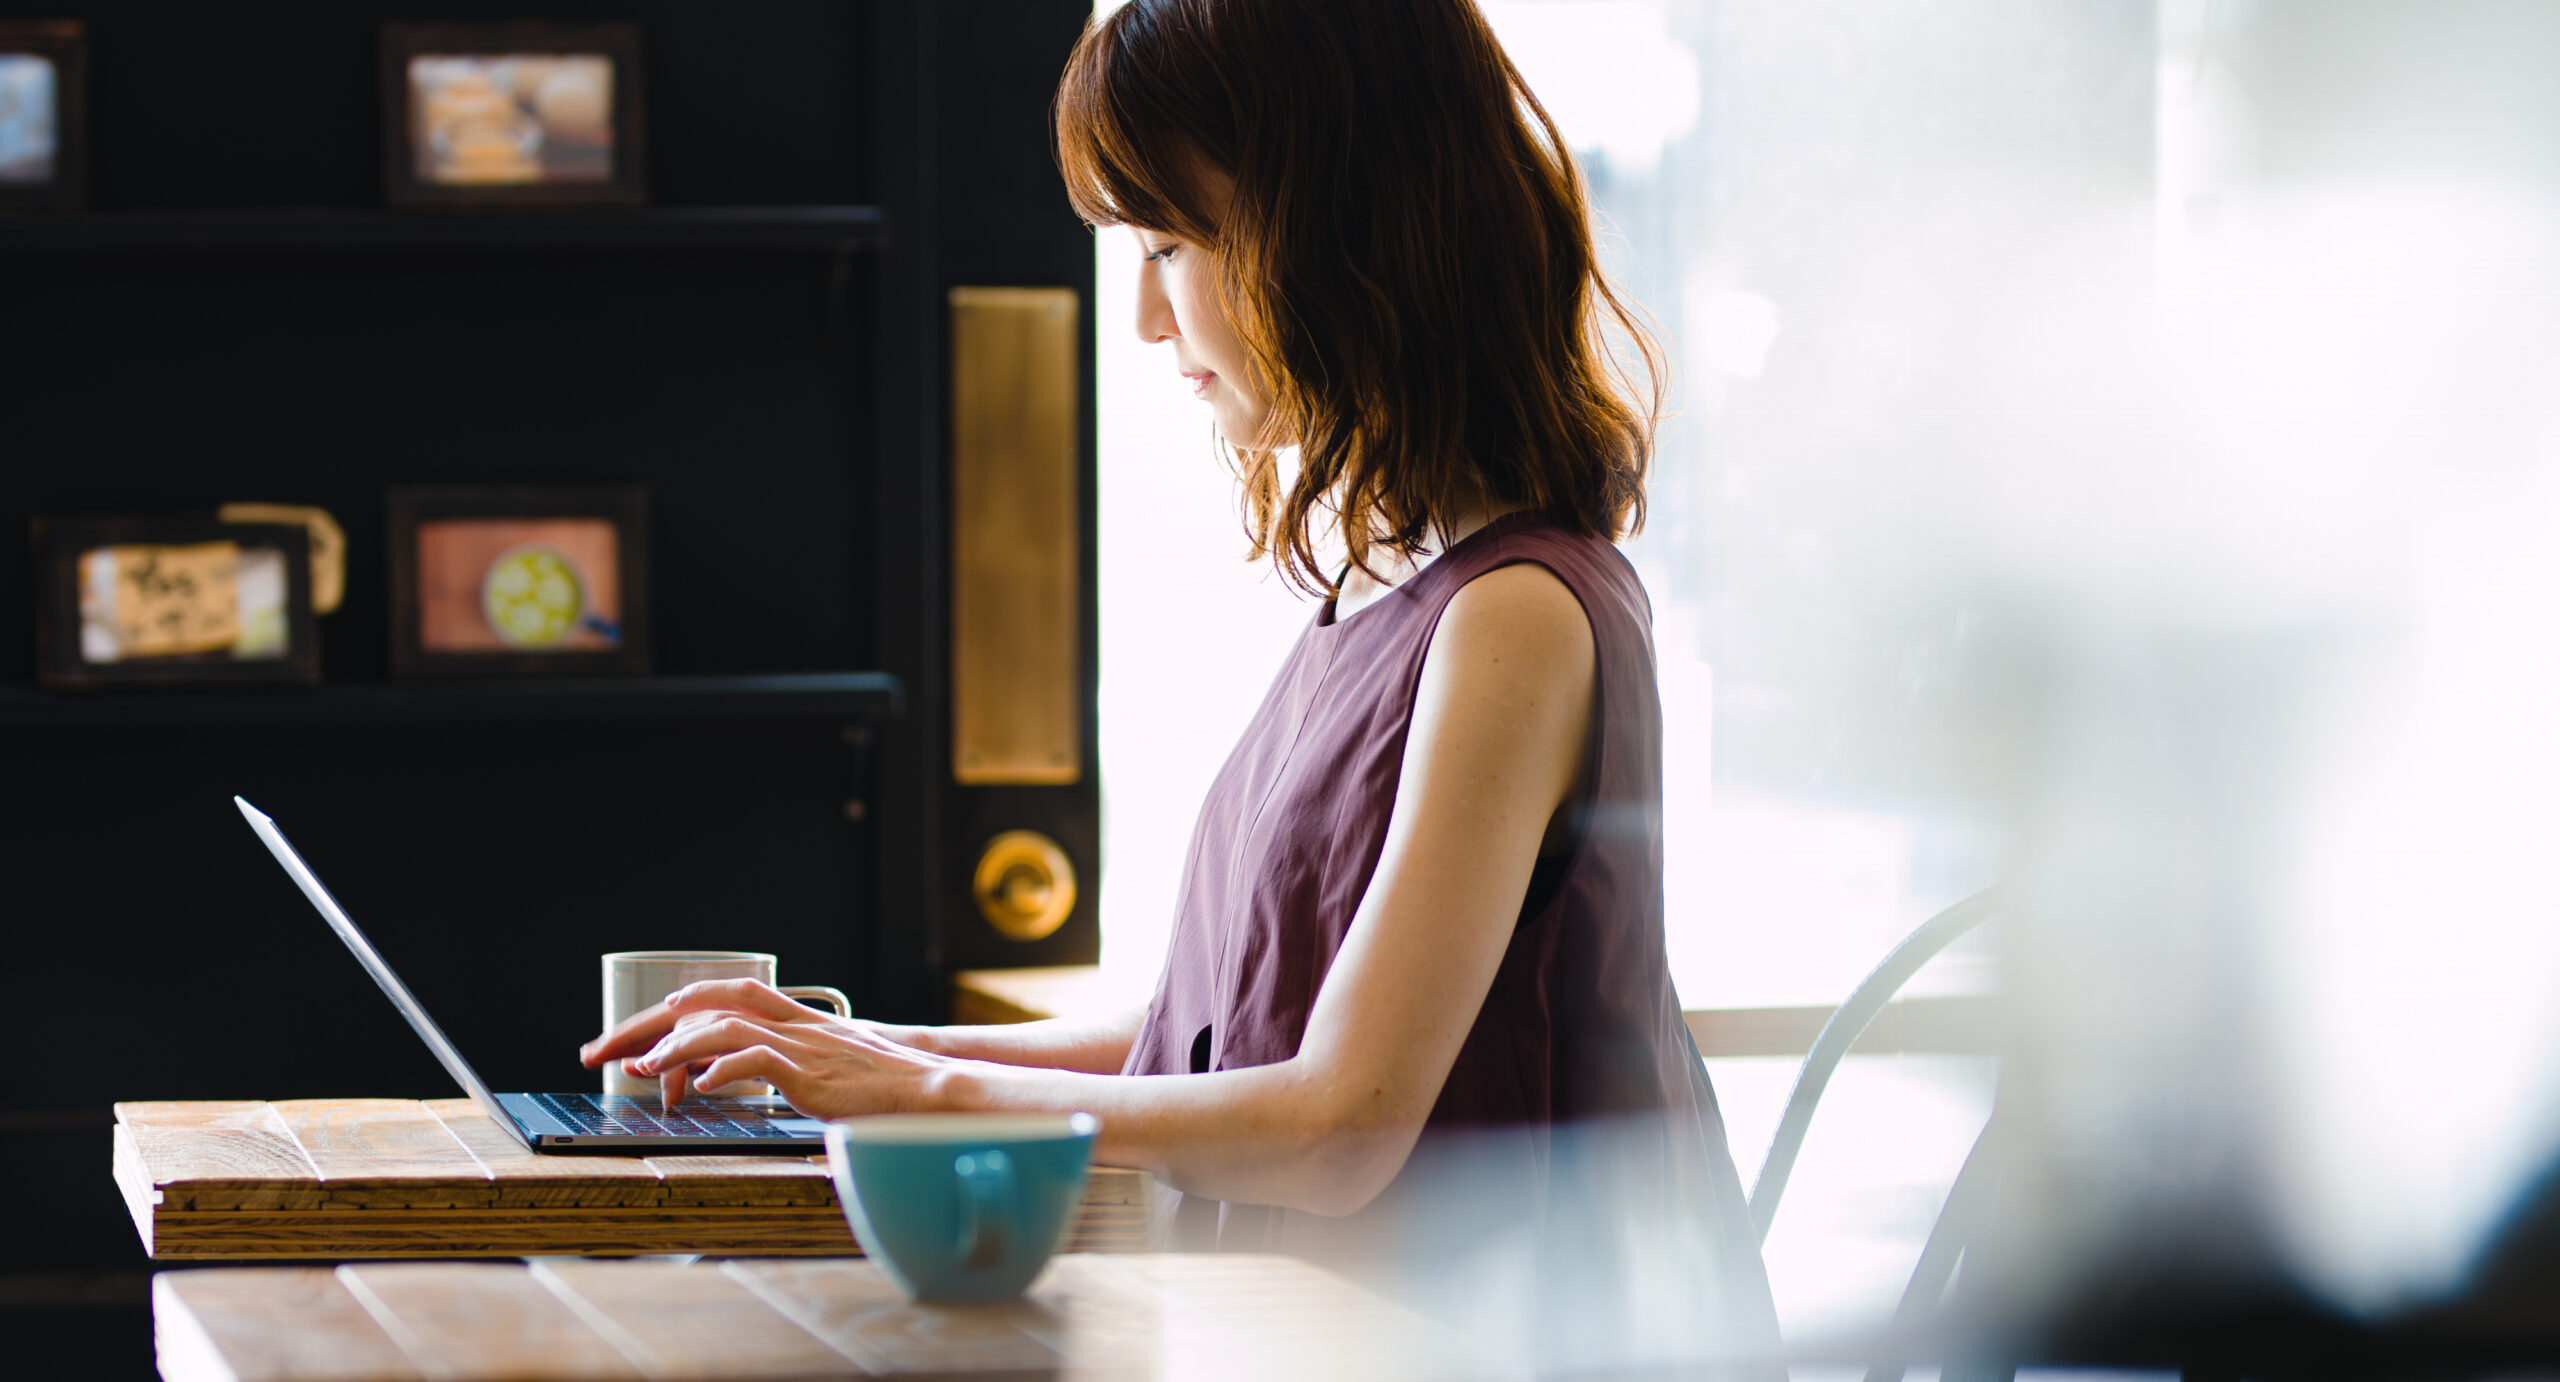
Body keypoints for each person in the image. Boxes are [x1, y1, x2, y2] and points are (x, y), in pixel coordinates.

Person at [584, 0, 1780, 1361]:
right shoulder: (1390, 584)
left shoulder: (1514, 615)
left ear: (1334, 229)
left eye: (1167, 246)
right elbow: (1201, 1041)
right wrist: (823, 1051)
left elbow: (1339, 1124)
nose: (1148, 318)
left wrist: (906, 1082)